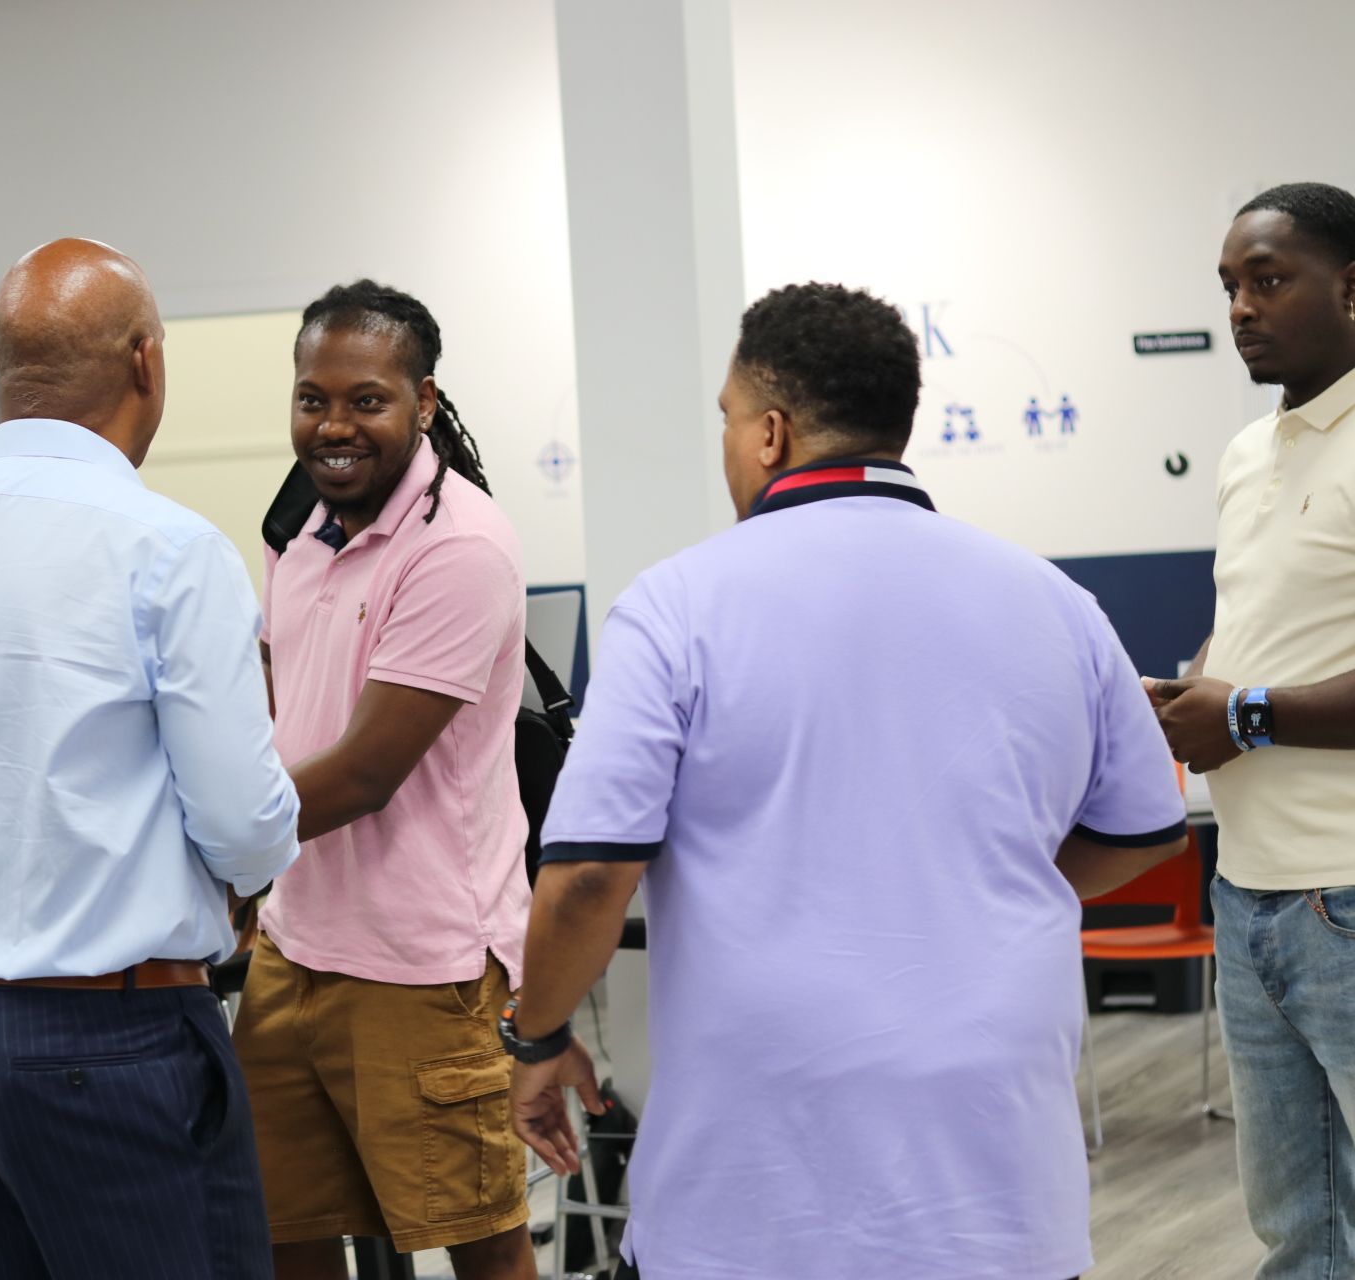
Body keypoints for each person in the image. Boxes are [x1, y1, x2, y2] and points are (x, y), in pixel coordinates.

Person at [504, 283, 1189, 1280]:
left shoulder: (676, 606)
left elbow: (588, 875)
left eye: (730, 421)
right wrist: (979, 888)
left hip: (757, 1175)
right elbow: (1147, 830)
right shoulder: (1054, 601)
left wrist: (540, 1035)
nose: (729, 444)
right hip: (995, 1172)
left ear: (771, 433)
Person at [0, 238, 300, 1279]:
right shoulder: (169, 552)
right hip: (110, 1042)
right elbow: (244, 821)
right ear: (146, 364)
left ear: (6, 378)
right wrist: (247, 873)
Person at [233, 280, 536, 1279]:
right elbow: (283, 722)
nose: (333, 423)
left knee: (479, 1241)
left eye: (367, 399)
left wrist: (213, 851)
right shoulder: (300, 534)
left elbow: (365, 771)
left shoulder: (461, 545)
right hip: (295, 946)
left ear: (425, 403)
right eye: (311, 397)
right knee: (287, 1234)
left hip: (423, 964)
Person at [1146, 181, 1355, 1279]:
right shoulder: (1242, 455)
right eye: (1230, 285)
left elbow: (1264, 700)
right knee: (1296, 1232)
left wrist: (1248, 714)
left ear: (1353, 286)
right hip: (1251, 892)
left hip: (1347, 892)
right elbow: (1269, 649)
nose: (1241, 307)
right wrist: (1188, 701)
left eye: (1268, 279)